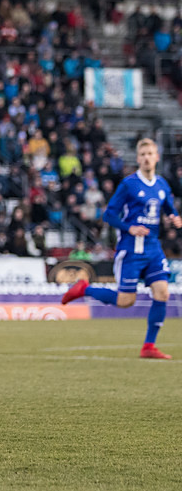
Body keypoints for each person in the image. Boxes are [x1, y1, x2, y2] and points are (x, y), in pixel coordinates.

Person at [62, 138, 182, 359]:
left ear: (157, 157)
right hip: (131, 250)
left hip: (153, 249)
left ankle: (149, 346)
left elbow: (168, 208)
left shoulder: (162, 184)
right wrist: (130, 228)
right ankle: (84, 289)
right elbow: (109, 214)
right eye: (142, 154)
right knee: (126, 301)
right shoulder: (129, 184)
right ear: (138, 158)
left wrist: (175, 217)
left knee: (163, 292)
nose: (146, 158)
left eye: (150, 154)